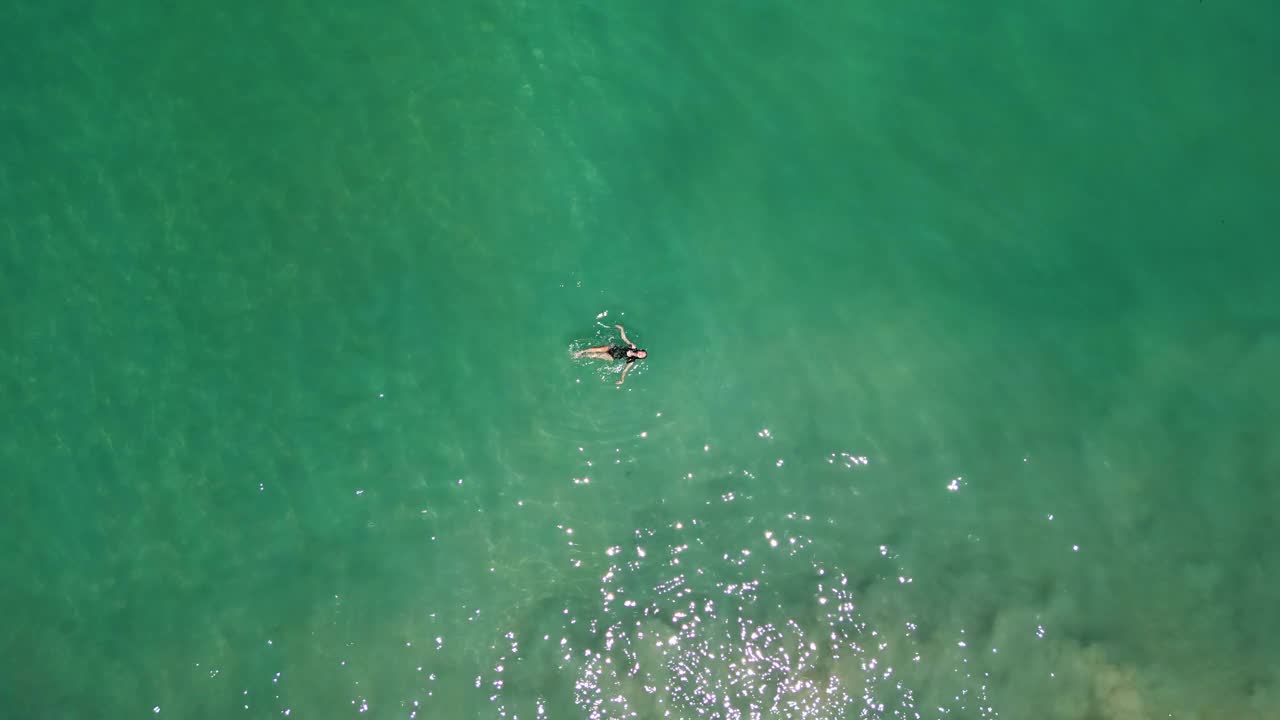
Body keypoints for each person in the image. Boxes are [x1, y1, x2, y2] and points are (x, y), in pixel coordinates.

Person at [574, 324, 648, 385]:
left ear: (640, 358)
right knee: (597, 349)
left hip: (611, 356)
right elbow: (624, 338)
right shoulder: (633, 346)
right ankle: (581, 351)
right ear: (640, 350)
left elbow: (625, 370)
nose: (641, 354)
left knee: (596, 355)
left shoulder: (631, 360)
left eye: (642, 356)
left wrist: (622, 380)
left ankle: (581, 355)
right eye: (642, 353)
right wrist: (622, 329)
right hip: (612, 348)